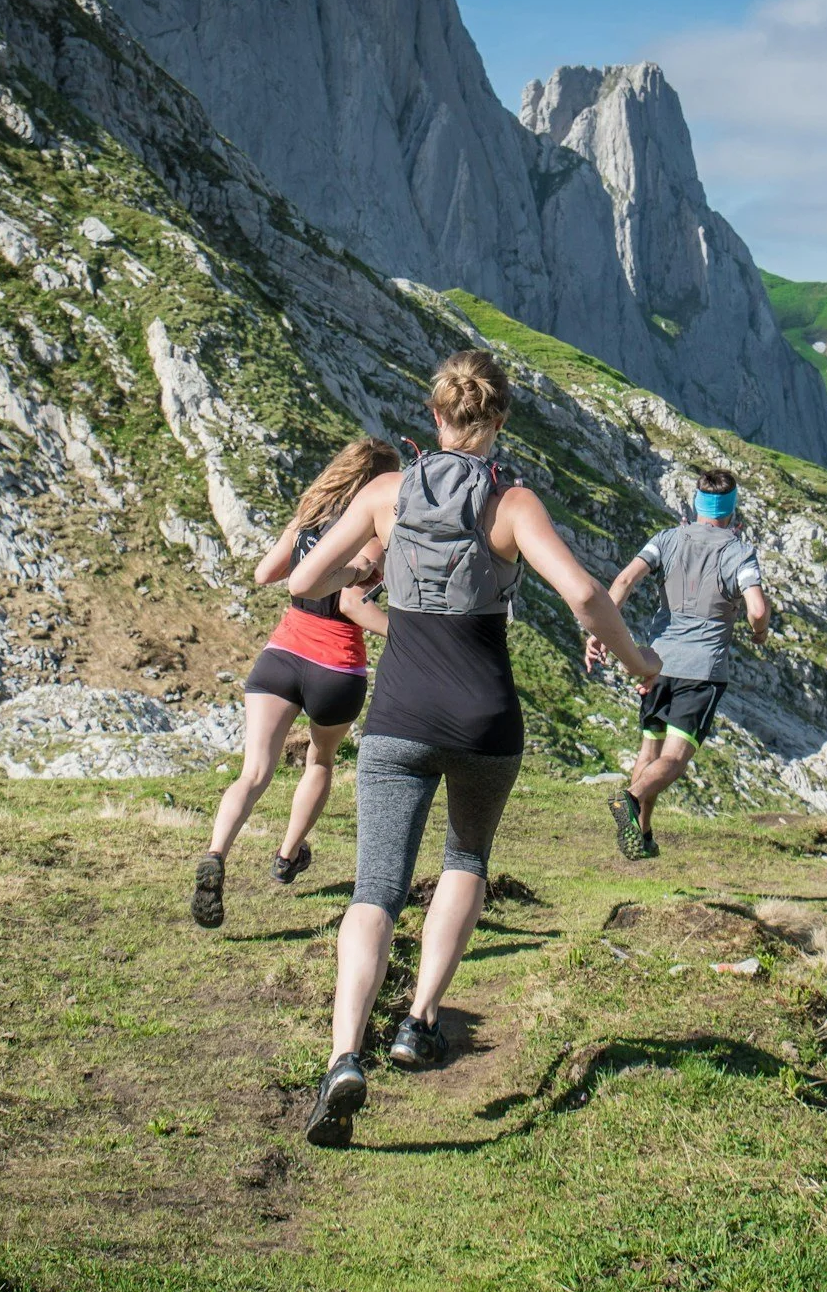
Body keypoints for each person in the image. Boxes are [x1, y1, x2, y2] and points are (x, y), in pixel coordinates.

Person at [285, 350, 661, 1148]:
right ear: (499, 421)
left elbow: (303, 579)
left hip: (398, 715)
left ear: (434, 416)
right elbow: (586, 594)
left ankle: (343, 1054)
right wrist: (641, 664)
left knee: (374, 892)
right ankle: (418, 1021)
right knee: (465, 861)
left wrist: (371, 558)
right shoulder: (511, 502)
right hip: (487, 718)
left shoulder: (386, 493)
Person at [190, 438, 398, 929]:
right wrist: (408, 634)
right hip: (337, 667)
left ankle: (217, 852)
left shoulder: (308, 514)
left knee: (254, 772)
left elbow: (266, 573)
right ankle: (286, 857)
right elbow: (350, 604)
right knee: (320, 761)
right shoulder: (368, 531)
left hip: (281, 656)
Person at [593, 468, 769, 860]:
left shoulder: (667, 539)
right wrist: (760, 631)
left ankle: (642, 836)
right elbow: (756, 609)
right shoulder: (737, 551)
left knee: (649, 748)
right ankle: (631, 798)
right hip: (701, 671)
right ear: (732, 511)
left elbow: (623, 582)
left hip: (657, 663)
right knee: (673, 758)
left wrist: (602, 630)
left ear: (695, 504)